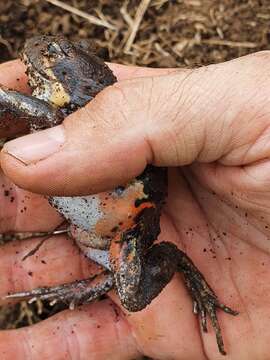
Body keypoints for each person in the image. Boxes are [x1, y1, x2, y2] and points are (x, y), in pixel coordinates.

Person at [0, 51, 269, 359]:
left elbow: (44, 114)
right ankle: (101, 281)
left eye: (50, 56)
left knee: (132, 294)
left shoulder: (62, 108)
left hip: (129, 225)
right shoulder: (61, 102)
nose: (37, 60)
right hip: (99, 222)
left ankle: (175, 262)